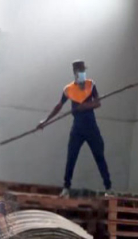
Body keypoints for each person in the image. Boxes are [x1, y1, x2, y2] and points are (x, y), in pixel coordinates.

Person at [37, 60, 113, 198]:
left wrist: (86, 106)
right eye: (80, 71)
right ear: (75, 73)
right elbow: (59, 106)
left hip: (91, 127)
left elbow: (98, 103)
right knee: (71, 157)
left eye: (84, 70)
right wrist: (46, 121)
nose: (83, 73)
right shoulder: (69, 89)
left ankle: (108, 188)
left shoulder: (91, 85)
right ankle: (66, 187)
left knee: (99, 155)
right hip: (77, 128)